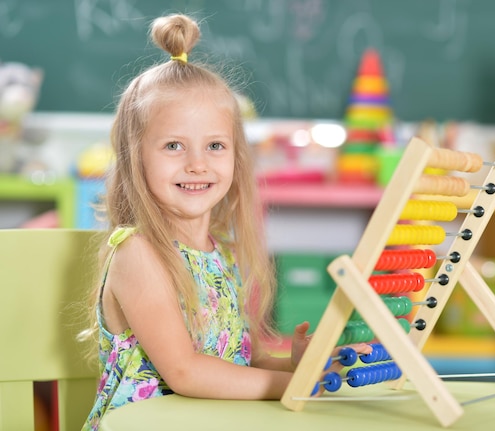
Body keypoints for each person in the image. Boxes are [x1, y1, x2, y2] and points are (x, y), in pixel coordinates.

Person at [79, 13, 370, 430]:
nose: (197, 164)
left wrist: (294, 368)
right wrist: (288, 385)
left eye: (215, 145)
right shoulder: (138, 253)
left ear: (236, 155)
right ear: (135, 157)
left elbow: (233, 363)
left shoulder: (222, 254)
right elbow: (186, 372)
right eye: (174, 145)